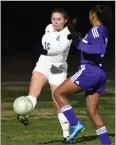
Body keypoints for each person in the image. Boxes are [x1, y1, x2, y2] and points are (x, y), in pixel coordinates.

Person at [53, 4, 113, 145]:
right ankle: (106, 143)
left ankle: (75, 124)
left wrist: (79, 43)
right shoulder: (101, 30)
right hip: (99, 72)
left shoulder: (97, 30)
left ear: (93, 14)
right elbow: (87, 44)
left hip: (89, 71)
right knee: (93, 112)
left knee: (58, 94)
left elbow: (98, 48)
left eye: (89, 14)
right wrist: (74, 35)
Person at [17, 8, 74, 141]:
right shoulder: (48, 28)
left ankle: (67, 134)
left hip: (57, 68)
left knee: (57, 100)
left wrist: (43, 51)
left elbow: (58, 50)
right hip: (43, 64)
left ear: (65, 20)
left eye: (59, 19)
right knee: (33, 94)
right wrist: (44, 54)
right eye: (54, 19)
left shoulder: (68, 34)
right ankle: (23, 113)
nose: (55, 22)